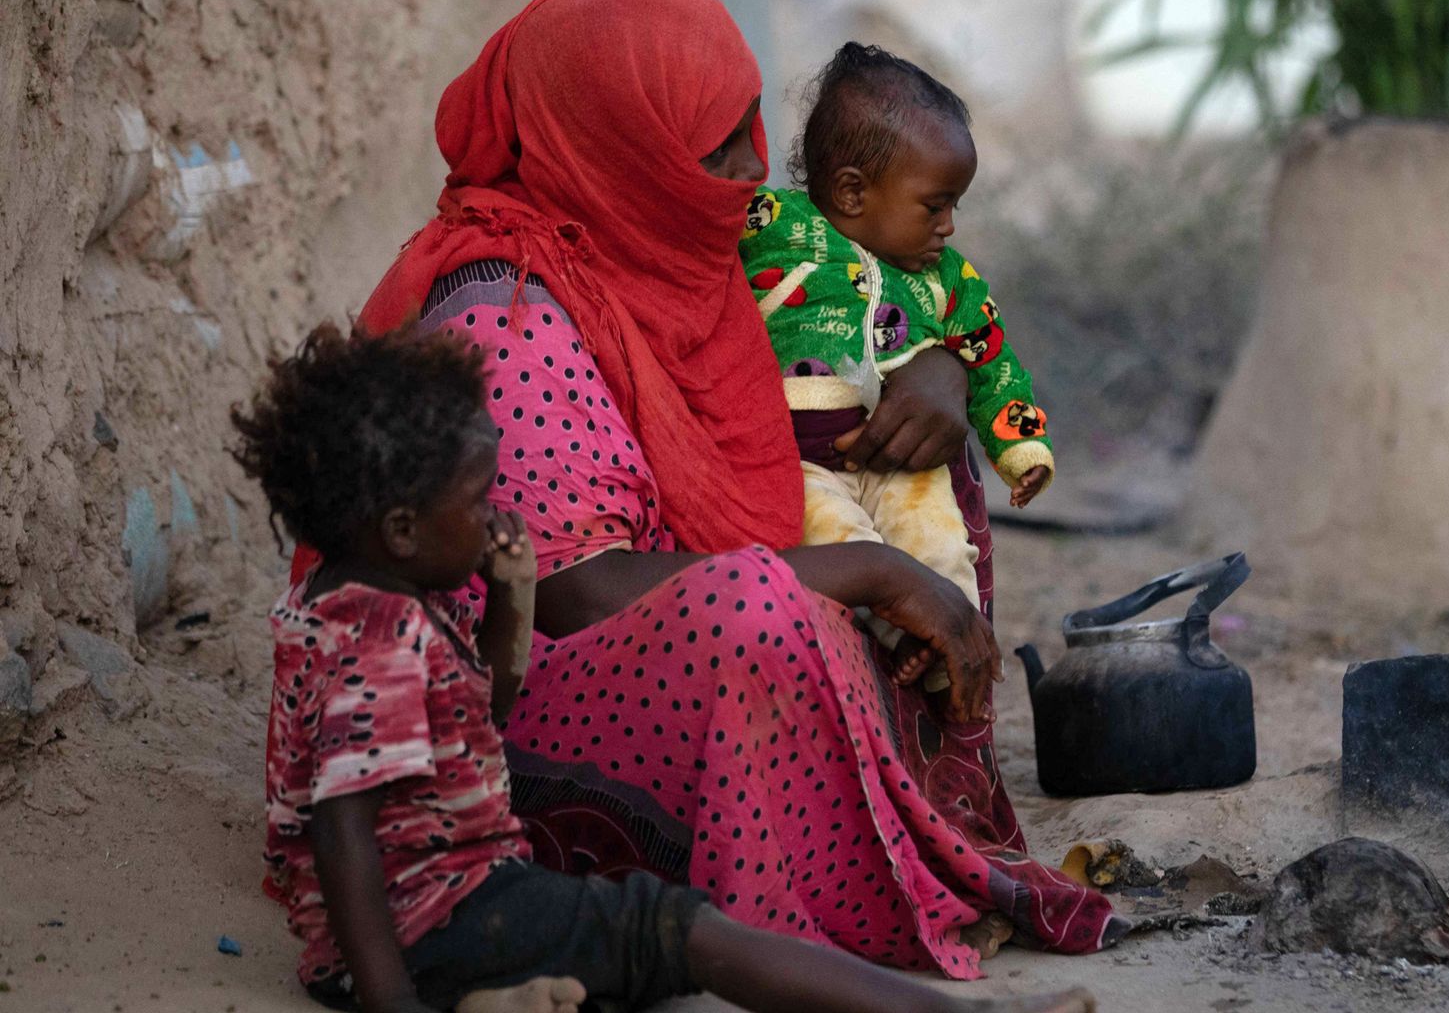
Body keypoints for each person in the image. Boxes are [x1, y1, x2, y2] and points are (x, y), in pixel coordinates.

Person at [298, 0, 1124, 983]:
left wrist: (938, 369)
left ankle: (895, 810)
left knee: (907, 465)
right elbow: (573, 593)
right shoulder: (506, 316)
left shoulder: (670, 239)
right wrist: (873, 575)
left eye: (748, 127)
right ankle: (771, 907)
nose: (750, 169)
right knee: (759, 610)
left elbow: (863, 293)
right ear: (624, 148)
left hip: (659, 633)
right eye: (714, 145)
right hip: (508, 729)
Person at [235, 324, 1096, 1013]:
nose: (500, 509)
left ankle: (498, 996)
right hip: (439, 921)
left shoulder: (353, 606)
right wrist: (387, 994)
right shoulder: (375, 636)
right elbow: (342, 822)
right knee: (682, 933)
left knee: (616, 943)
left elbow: (478, 718)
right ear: (399, 528)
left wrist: (506, 602)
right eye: (479, 498)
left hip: (449, 905)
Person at [739, 44, 1052, 687]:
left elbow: (994, 363)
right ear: (853, 191)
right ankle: (905, 634)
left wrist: (1024, 452)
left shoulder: (949, 281)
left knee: (940, 545)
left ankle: (945, 641)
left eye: (954, 207)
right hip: (794, 461)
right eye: (934, 206)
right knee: (836, 539)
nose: (948, 228)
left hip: (902, 463)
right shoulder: (771, 225)